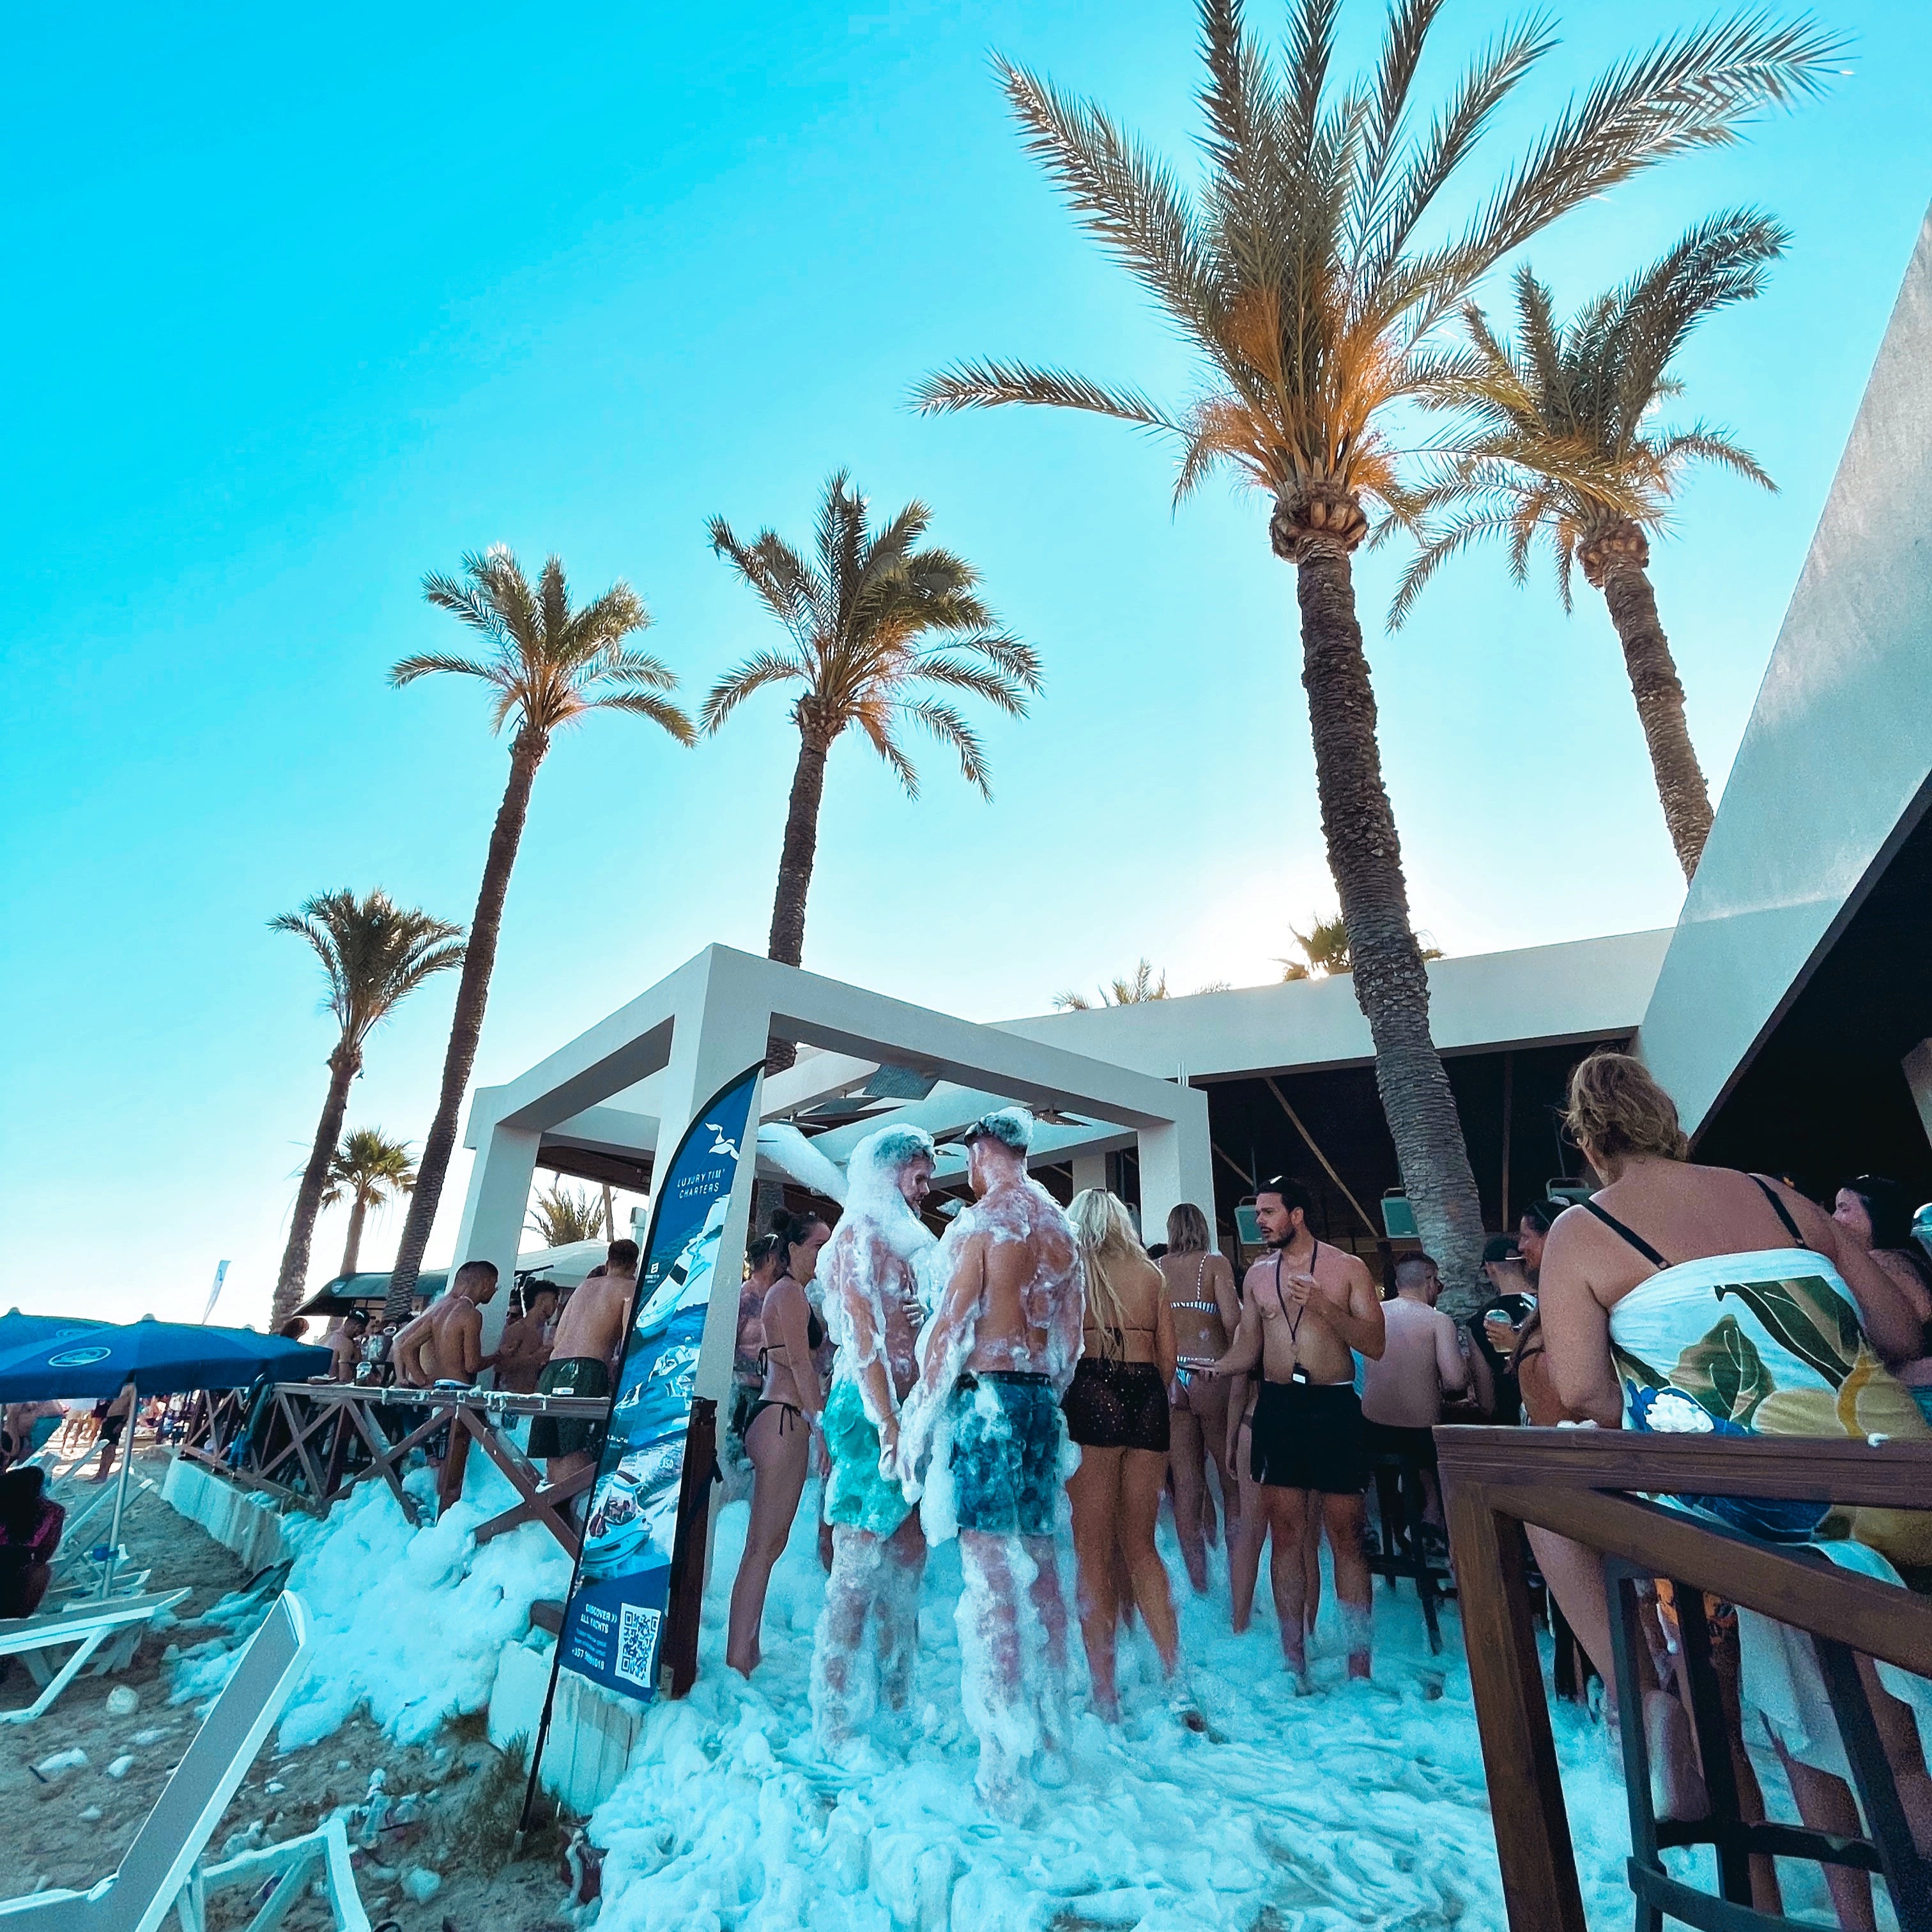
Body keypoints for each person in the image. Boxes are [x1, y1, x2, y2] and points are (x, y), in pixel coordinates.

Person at [1540, 1052, 1932, 1931]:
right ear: (1668, 1119)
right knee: (1896, 1747)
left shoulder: (1585, 1231)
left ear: (1590, 1140)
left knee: (1543, 1495)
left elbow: (1584, 1395)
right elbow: (1901, 1333)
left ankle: (1645, 1701)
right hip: (1904, 1485)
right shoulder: (1778, 1196)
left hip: (1768, 1518)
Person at [898, 1108, 1083, 1808]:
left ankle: (1002, 1769)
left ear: (983, 1152)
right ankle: (1057, 1738)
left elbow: (947, 1332)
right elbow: (1072, 1346)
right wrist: (1041, 1396)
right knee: (1041, 1571)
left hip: (988, 1403)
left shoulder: (978, 1227)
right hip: (1040, 1402)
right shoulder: (1059, 1229)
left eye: (968, 1157)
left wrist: (917, 1419)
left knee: (990, 1579)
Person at [1208, 1176, 1385, 1685]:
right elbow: (1248, 1346)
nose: (1259, 1222)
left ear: (1298, 1214)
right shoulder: (1258, 1276)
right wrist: (1214, 1367)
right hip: (1279, 1407)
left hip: (1333, 1405)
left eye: (1267, 1212)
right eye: (1257, 1213)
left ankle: (1359, 1667)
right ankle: (1294, 1662)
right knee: (1286, 1533)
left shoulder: (1347, 1268)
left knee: (1345, 1533)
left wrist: (1325, 1308)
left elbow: (1376, 1345)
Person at [809, 1127, 937, 1740]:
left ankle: (897, 1695)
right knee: (857, 1562)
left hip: (908, 1409)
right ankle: (832, 1714)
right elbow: (860, 1336)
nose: (928, 1185)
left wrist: (925, 1315)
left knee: (910, 1553)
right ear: (892, 1170)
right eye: (921, 1172)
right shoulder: (857, 1233)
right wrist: (887, 1420)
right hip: (866, 1413)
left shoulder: (908, 1237)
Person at [1062, 1188, 1181, 1719]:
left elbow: (1058, 1348)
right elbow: (1169, 1359)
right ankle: (1175, 1674)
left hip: (1092, 1389)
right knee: (1142, 1547)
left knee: (1091, 1551)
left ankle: (1104, 1693)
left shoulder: (1074, 1271)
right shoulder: (1152, 1275)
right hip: (1149, 1397)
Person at [726, 1206, 834, 1676]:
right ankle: (739, 1654)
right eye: (817, 1246)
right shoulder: (788, 1295)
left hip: (778, 1418)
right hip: (784, 1420)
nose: (825, 1254)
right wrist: (820, 1427)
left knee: (768, 1544)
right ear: (792, 1250)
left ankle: (746, 1650)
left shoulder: (795, 1296)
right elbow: (799, 1363)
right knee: (763, 1547)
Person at [1160, 1202, 1241, 1593]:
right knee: (1230, 1482)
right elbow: (1231, 1322)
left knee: (1188, 1484)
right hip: (1210, 1371)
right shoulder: (1215, 1264)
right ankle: (1237, 1581)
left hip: (1173, 1378)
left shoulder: (1158, 1268)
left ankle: (1199, 1586)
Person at [1359, 1252, 1468, 1526]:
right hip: (1420, 1436)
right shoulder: (1437, 1321)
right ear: (1430, 1281)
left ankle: (1398, 1519)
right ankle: (1435, 1516)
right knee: (1437, 1457)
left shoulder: (1373, 1315)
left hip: (1373, 1430)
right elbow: (1456, 1382)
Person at [528, 1240, 640, 1494]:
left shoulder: (583, 1287)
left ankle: (550, 1512)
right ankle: (569, 1520)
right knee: (579, 1452)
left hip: (554, 1370)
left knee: (555, 1453)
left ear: (607, 1260)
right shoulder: (629, 1289)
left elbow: (557, 1338)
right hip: (585, 1370)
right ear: (634, 1264)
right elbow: (629, 1341)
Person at [1834, 1174, 1932, 1423]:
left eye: (1843, 1209)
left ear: (1876, 1214)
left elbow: (1919, 1317)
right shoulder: (1913, 1257)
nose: (1834, 1220)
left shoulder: (1880, 1262)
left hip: (1920, 1390)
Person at [391, 1259, 501, 1388]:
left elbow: (404, 1345)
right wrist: (498, 1356)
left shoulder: (440, 1310)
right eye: (495, 1285)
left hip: (436, 1386)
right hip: (451, 1387)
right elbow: (399, 1340)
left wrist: (415, 1381)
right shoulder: (461, 1312)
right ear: (486, 1284)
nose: (494, 1291)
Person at [1467, 1237, 1536, 1423]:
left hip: (1509, 1427)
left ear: (1490, 1268)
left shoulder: (1478, 1323)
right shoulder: (1551, 1305)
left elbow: (1488, 1404)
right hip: (1563, 1421)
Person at [0, 1466, 65, 1618]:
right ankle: (18, 1622)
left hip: (13, 1576)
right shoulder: (48, 1512)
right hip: (17, 1581)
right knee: (41, 1572)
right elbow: (43, 1556)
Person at [488, 1284, 558, 1395]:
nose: (556, 1305)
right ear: (541, 1302)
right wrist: (534, 1358)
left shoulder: (551, 1332)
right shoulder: (517, 1329)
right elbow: (500, 1366)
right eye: (554, 1301)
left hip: (536, 1397)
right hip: (512, 1396)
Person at [91, 1381, 137, 1483]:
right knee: (104, 1447)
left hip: (118, 1418)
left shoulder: (133, 1388)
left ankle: (104, 1474)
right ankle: (100, 1472)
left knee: (111, 1447)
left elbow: (131, 1407)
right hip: (110, 1417)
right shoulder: (122, 1386)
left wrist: (122, 1423)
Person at [328, 1310, 371, 1383]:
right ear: (358, 1327)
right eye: (361, 1330)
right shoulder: (347, 1344)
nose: (359, 1334)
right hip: (334, 1389)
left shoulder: (325, 1338)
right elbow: (344, 1378)